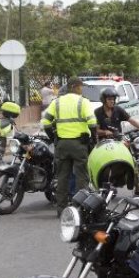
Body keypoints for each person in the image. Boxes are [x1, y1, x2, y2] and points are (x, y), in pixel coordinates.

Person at [41, 77, 97, 217]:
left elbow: (46, 122)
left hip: (62, 145)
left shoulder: (57, 102)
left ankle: (61, 210)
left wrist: (53, 138)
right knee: (81, 178)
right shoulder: (83, 102)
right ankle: (80, 210)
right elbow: (92, 123)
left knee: (62, 178)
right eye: (80, 87)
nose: (81, 89)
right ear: (74, 87)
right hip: (79, 145)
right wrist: (93, 139)